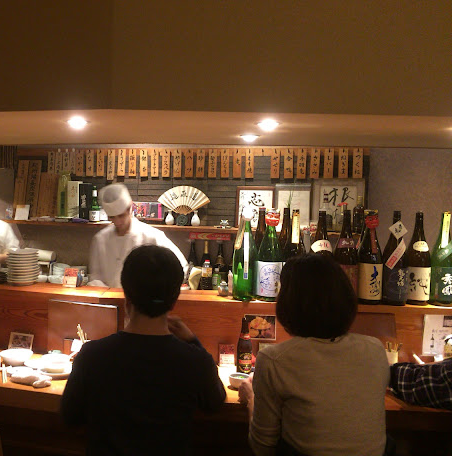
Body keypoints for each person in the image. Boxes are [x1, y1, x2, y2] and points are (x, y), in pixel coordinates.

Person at [61, 245, 226, 455]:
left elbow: (70, 417)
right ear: (174, 301)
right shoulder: (195, 361)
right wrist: (193, 341)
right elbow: (215, 403)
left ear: (126, 296)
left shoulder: (92, 356)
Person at [237, 253, 390, 456]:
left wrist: (251, 397)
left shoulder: (274, 360)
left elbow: (262, 447)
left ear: (289, 304)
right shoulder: (375, 349)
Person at [88, 183, 187, 287]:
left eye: (121, 216)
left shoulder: (151, 235)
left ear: (130, 207)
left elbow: (180, 267)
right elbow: (96, 276)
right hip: (110, 300)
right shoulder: (101, 239)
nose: (117, 222)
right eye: (112, 217)